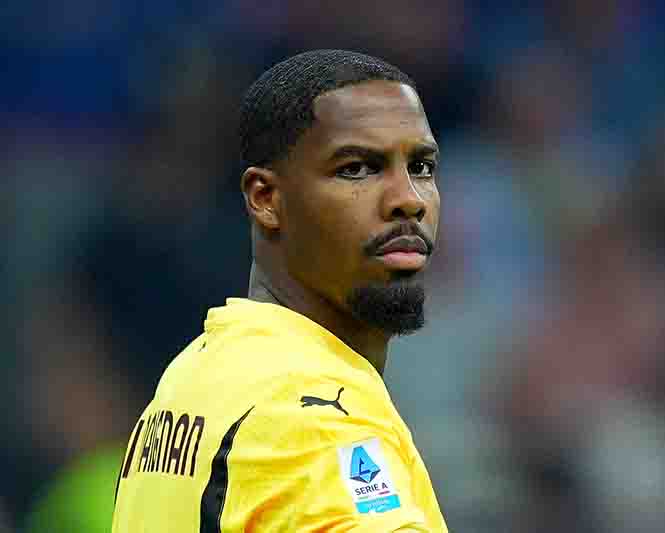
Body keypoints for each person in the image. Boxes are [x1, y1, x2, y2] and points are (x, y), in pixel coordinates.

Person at [111, 49, 447, 532]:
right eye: (356, 169)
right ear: (265, 198)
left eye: (422, 167)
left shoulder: (193, 375)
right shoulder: (314, 417)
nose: (408, 200)